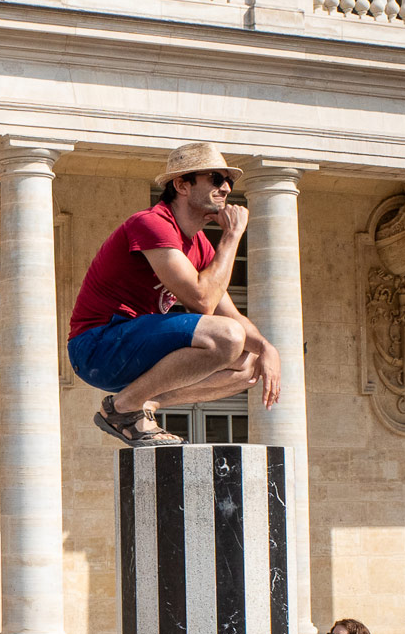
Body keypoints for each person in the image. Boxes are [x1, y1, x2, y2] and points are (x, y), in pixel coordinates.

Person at [67, 142, 282, 447]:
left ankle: (141, 405)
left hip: (132, 348)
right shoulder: (152, 223)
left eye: (229, 182)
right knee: (229, 338)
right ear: (182, 184)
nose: (226, 189)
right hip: (97, 346)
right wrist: (232, 237)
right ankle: (123, 408)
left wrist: (267, 349)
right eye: (216, 179)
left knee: (248, 365)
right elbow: (203, 301)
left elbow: (229, 315)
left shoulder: (201, 247)